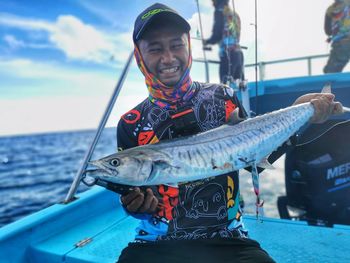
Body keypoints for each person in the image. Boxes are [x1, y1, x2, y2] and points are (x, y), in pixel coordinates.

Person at [116, 3, 343, 263]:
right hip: (156, 242)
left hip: (228, 238)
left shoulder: (221, 97)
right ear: (139, 56)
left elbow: (254, 155)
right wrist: (135, 207)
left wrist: (300, 114)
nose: (168, 58)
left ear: (188, 45)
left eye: (176, 45)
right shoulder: (131, 123)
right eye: (155, 49)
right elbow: (137, 198)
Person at [203, 0, 244, 84]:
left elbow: (217, 35)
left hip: (228, 57)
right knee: (238, 87)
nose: (212, 3)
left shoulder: (219, 12)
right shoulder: (235, 15)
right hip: (239, 55)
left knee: (225, 87)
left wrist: (207, 42)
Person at [323, 0, 350, 73]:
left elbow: (328, 31)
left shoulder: (330, 10)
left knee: (330, 72)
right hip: (343, 43)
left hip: (341, 44)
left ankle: (328, 84)